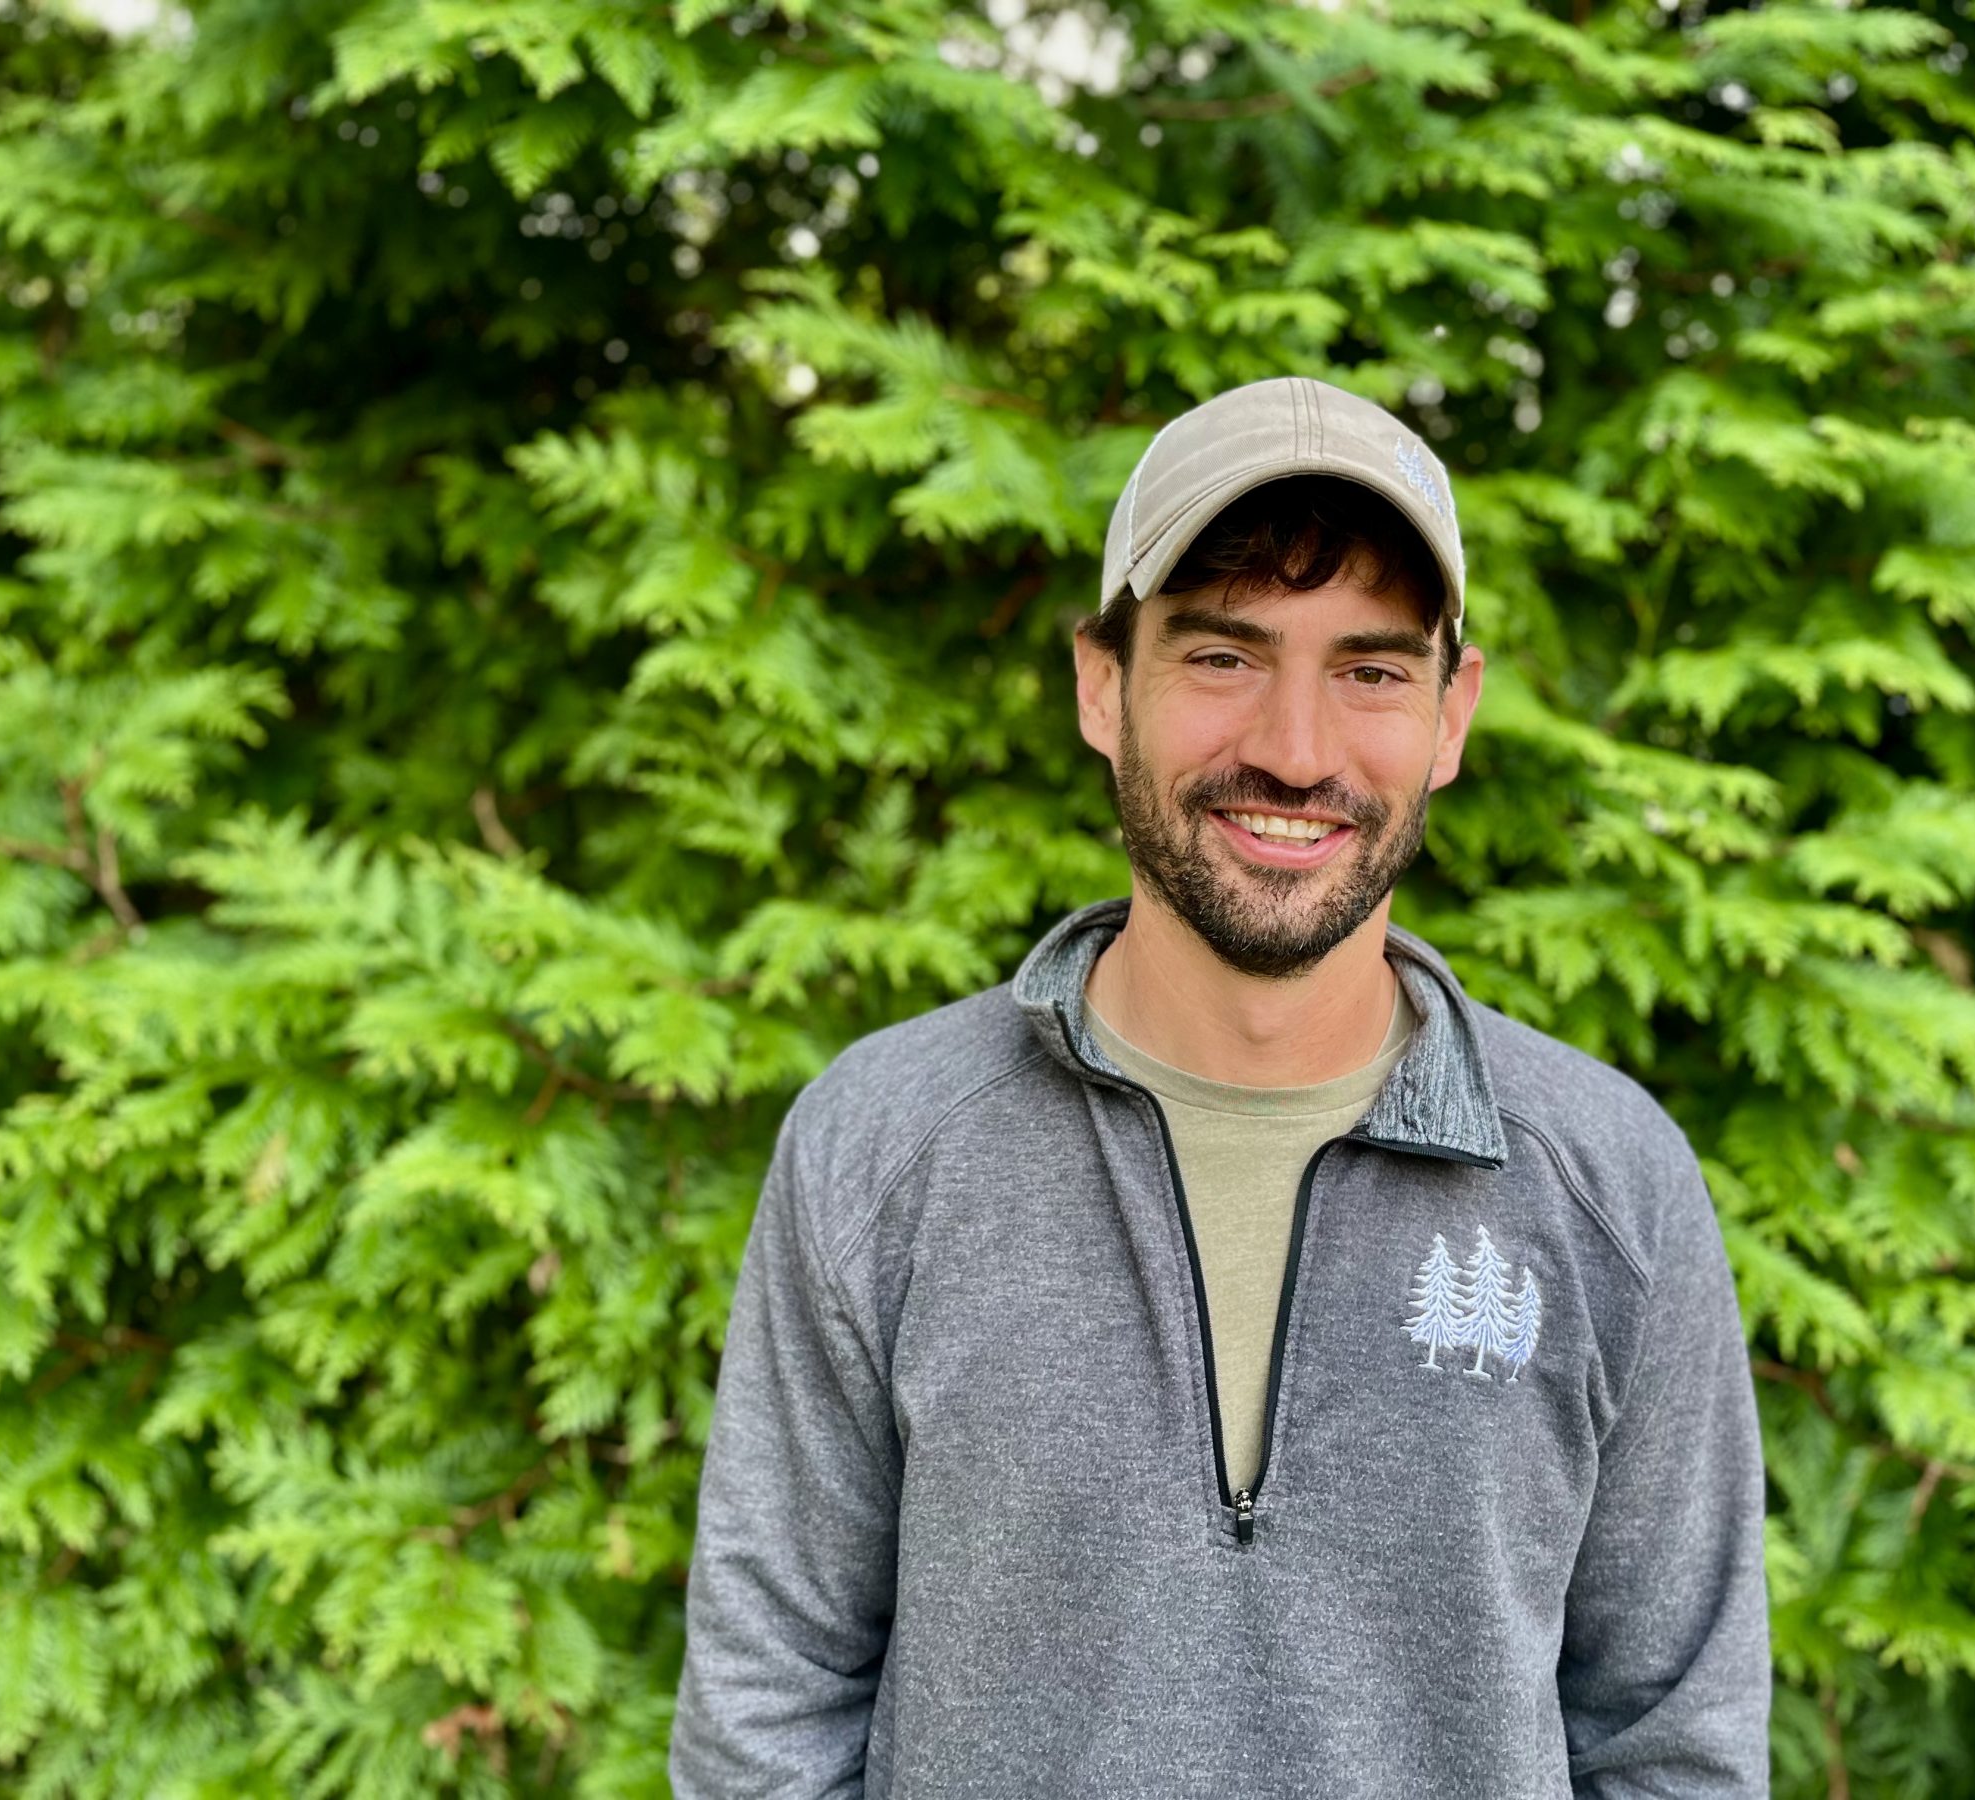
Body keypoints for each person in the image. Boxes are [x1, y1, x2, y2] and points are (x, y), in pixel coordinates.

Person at [669, 375, 1771, 1796]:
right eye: (1221, 656)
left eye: (1370, 669)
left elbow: (1675, 1749)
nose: (1295, 751)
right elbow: (767, 1722)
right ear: (1100, 685)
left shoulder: (1611, 1187)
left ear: (1452, 713)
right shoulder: (881, 1149)